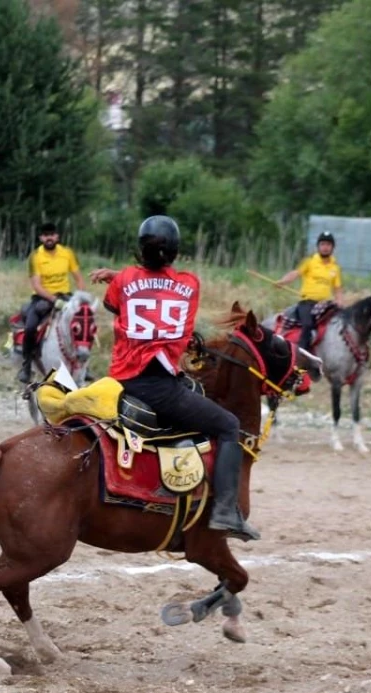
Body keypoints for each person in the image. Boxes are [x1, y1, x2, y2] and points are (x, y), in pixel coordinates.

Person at [90, 216, 260, 542]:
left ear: (140, 250)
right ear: (175, 252)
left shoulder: (124, 281)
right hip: (158, 386)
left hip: (122, 380)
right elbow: (160, 291)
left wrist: (118, 275)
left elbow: (120, 300)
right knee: (227, 426)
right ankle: (226, 511)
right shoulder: (189, 285)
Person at [18, 222, 84, 383]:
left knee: (84, 325)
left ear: (57, 236)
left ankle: (83, 365)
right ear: (41, 238)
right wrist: (54, 300)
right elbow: (36, 285)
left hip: (66, 296)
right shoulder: (36, 256)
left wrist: (80, 298)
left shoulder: (67, 253)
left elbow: (79, 278)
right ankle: (26, 365)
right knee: (30, 326)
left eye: (52, 234)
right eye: (46, 235)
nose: (49, 238)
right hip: (43, 297)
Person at [274, 230, 344, 351]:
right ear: (318, 246)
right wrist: (283, 281)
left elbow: (337, 288)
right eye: (322, 244)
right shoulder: (310, 261)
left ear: (332, 248)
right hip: (308, 303)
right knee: (307, 325)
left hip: (325, 304)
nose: (325, 247)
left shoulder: (335, 267)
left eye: (328, 245)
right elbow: (295, 273)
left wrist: (340, 301)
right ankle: (301, 352)